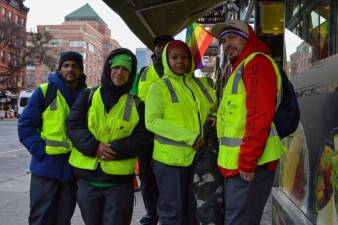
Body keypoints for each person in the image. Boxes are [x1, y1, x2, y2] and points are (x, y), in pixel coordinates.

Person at [211, 20, 286, 225]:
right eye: (224, 40)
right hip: (239, 165)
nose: (227, 44)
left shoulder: (256, 63)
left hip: (249, 165)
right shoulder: (240, 67)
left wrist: (247, 161)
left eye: (233, 38)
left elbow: (259, 117)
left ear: (248, 38)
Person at [66, 48, 152, 225]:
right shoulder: (88, 95)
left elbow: (144, 138)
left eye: (125, 69)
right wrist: (94, 146)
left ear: (131, 74)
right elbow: (73, 125)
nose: (120, 72)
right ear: (108, 68)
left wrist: (115, 149)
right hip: (87, 180)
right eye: (117, 67)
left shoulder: (137, 104)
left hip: (119, 184)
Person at [145, 40, 217, 225]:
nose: (180, 61)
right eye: (174, 57)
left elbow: (214, 105)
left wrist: (215, 114)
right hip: (169, 161)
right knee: (172, 211)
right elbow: (151, 121)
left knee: (193, 211)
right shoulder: (158, 87)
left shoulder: (199, 84)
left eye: (184, 57)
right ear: (166, 60)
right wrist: (190, 137)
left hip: (197, 158)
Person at [18, 51, 86, 225]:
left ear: (81, 70)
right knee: (40, 218)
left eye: (75, 66)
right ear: (60, 68)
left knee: (63, 220)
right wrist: (40, 152)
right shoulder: (44, 91)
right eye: (66, 65)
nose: (70, 69)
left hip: (72, 170)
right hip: (45, 169)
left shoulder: (87, 95)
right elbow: (26, 126)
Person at [135, 34, 174, 225]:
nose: (161, 48)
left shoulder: (178, 71)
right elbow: (132, 100)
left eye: (166, 45)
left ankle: (167, 214)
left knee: (167, 178)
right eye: (158, 45)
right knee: (147, 178)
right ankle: (152, 214)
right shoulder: (143, 72)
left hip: (169, 135)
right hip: (145, 135)